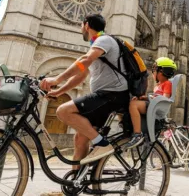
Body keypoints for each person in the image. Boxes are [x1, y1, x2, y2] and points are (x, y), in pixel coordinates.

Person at [40, 14, 130, 167]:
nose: (80, 29)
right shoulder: (96, 45)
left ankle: (102, 144)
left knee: (63, 111)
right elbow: (81, 75)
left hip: (111, 96)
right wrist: (59, 91)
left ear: (87, 25)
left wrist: (56, 79)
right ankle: (74, 183)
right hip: (104, 97)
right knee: (80, 139)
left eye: (81, 25)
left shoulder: (104, 40)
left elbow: (84, 61)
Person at [124, 57, 176, 149]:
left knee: (133, 105)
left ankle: (137, 134)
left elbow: (164, 99)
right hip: (153, 105)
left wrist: (149, 97)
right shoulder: (158, 85)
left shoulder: (167, 83)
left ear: (161, 71)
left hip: (156, 107)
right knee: (133, 101)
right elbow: (155, 98)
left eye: (154, 70)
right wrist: (144, 97)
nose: (153, 73)